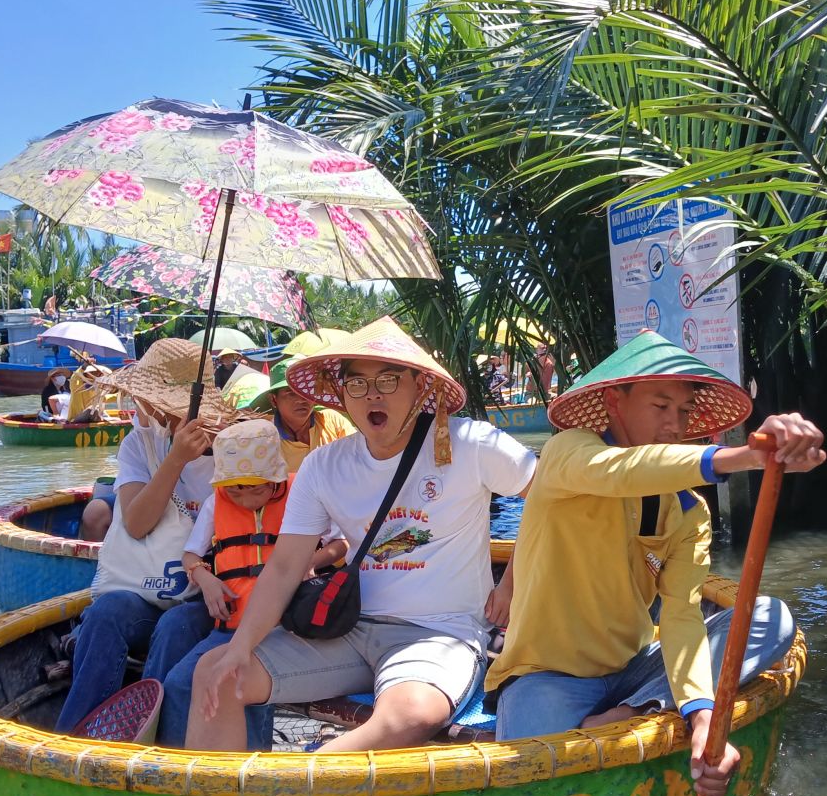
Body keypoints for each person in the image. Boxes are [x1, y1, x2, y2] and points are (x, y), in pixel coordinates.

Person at [487, 330, 825, 796]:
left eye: (683, 412)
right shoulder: (569, 452)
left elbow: (683, 615)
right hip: (545, 674)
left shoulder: (688, 512)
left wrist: (706, 719)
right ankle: (633, 718)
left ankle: (631, 711)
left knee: (771, 618)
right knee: (524, 785)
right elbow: (620, 472)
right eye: (660, 406)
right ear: (614, 401)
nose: (674, 423)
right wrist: (747, 456)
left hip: (634, 670)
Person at [185, 317, 537, 753]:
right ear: (342, 397)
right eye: (358, 384)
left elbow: (551, 498)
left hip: (438, 633)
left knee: (413, 712)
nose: (373, 394)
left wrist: (511, 583)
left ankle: (292, 790)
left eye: (389, 380)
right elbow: (284, 568)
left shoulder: (471, 443)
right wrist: (240, 647)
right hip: (346, 626)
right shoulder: (324, 465)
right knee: (215, 671)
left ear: (420, 387)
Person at [53, 339, 238, 733]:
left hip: (208, 596)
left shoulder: (233, 451)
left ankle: (151, 734)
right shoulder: (140, 444)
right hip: (146, 590)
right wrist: (176, 460)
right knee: (106, 614)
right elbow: (137, 523)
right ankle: (77, 733)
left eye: (148, 397)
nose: (140, 404)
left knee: (174, 629)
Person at [151, 419, 348, 745]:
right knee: (179, 682)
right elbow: (190, 555)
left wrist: (308, 561)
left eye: (256, 488)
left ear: (275, 480)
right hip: (229, 628)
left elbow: (340, 546)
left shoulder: (301, 494)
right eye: (235, 489)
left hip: (284, 629)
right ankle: (176, 761)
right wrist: (206, 578)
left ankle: (254, 770)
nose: (245, 498)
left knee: (246, 690)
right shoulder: (217, 502)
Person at [264, 354, 357, 471]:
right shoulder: (265, 441)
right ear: (273, 399)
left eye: (305, 391)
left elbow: (358, 456)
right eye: (291, 393)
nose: (301, 399)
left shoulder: (333, 421)